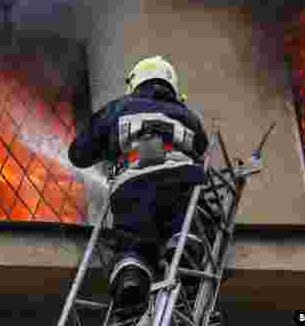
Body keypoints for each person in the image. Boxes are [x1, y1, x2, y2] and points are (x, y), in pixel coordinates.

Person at [68, 55, 209, 316]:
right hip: (182, 179)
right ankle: (185, 249)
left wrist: (106, 147)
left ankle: (131, 279)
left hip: (133, 186)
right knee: (187, 221)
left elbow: (79, 153)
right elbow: (202, 146)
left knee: (133, 240)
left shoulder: (117, 108)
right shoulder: (187, 115)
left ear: (134, 82)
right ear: (172, 87)